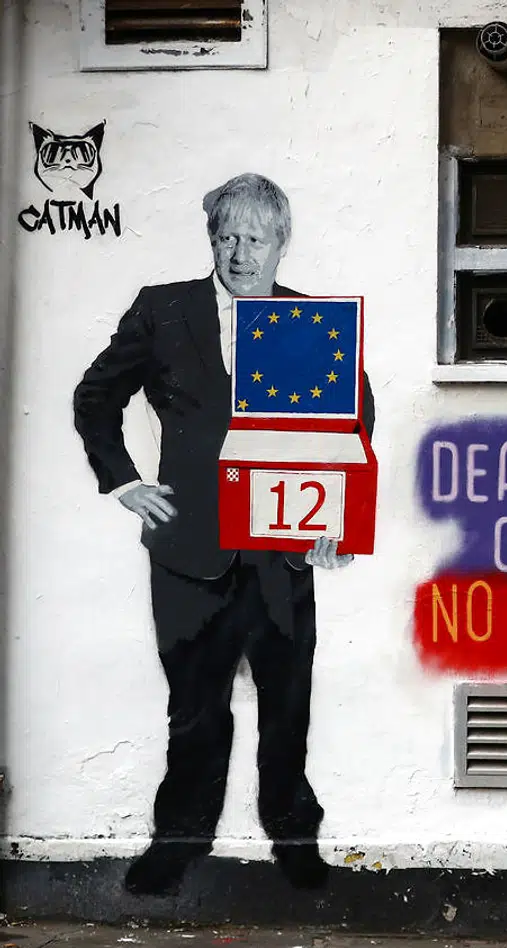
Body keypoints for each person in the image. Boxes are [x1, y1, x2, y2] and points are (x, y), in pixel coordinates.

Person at [73, 173, 375, 895]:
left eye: (256, 239)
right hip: (189, 554)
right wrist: (122, 482)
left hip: (279, 550)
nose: (241, 253)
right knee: (194, 710)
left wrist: (334, 521)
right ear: (212, 239)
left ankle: (293, 837)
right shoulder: (163, 312)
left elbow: (354, 419)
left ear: (281, 246)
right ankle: (177, 842)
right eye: (228, 236)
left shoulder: (310, 322)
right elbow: (95, 395)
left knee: (287, 703)